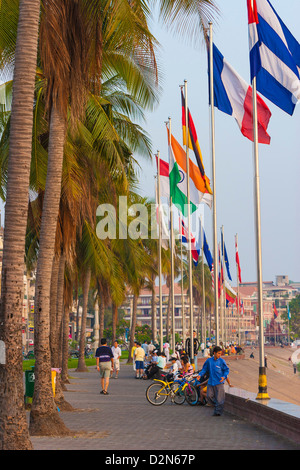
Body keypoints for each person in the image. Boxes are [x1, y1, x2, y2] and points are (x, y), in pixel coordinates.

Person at [196, 345, 230, 416]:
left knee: (220, 398)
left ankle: (218, 412)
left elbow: (226, 370)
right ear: (214, 353)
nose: (219, 355)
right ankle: (217, 405)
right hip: (211, 382)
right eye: (218, 353)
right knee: (209, 396)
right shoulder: (209, 361)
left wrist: (224, 377)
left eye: (220, 353)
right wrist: (200, 375)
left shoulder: (221, 361)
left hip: (219, 382)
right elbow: (204, 369)